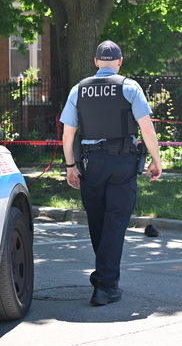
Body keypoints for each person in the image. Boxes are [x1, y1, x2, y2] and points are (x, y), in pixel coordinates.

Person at [60, 40, 162, 306]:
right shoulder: (129, 86)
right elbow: (147, 129)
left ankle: (106, 280)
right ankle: (104, 285)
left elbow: (68, 133)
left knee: (97, 221)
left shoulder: (78, 90)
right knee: (115, 222)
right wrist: (156, 159)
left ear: (96, 62)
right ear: (120, 61)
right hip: (122, 164)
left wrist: (70, 166)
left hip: (90, 163)